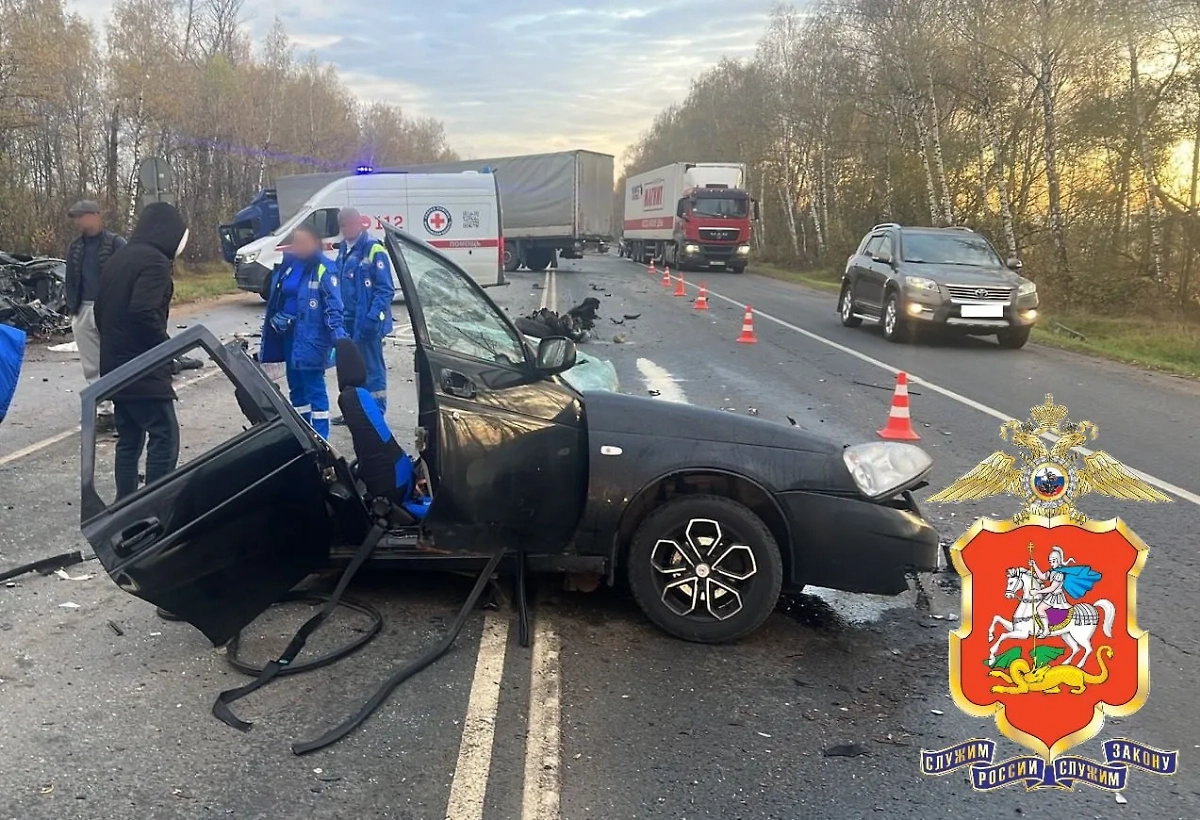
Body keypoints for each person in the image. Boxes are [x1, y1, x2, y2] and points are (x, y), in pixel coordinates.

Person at [95, 202, 187, 501]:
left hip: (116, 366)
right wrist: (167, 350)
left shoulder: (120, 258)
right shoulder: (155, 263)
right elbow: (144, 312)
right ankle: (154, 504)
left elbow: (99, 311)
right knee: (164, 435)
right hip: (143, 367)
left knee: (129, 438)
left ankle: (125, 503)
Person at [259, 224, 346, 439]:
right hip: (288, 336)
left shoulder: (324, 268)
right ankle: (302, 432)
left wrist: (339, 339)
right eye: (295, 241)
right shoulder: (289, 265)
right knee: (296, 387)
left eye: (303, 242)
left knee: (313, 386)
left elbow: (333, 306)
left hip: (311, 338)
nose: (298, 246)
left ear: (315, 243)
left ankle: (320, 436)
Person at [64, 200, 126, 430]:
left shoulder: (116, 243)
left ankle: (124, 409)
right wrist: (73, 306)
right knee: (91, 364)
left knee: (116, 360)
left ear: (95, 215)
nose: (78, 221)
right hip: (82, 308)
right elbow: (70, 278)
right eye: (76, 217)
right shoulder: (75, 247)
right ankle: (103, 412)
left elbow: (127, 275)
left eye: (81, 216)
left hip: (110, 309)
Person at [333, 208, 393, 421]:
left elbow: (385, 289)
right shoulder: (343, 250)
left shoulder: (373, 249)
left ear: (359, 223)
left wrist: (372, 318)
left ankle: (375, 415)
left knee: (372, 370)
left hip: (367, 322)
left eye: (350, 223)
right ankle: (354, 412)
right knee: (350, 371)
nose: (347, 228)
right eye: (343, 225)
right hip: (346, 322)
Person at [1029, 545, 1101, 635]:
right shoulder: (1052, 571)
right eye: (1050, 562)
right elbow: (1042, 576)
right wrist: (1034, 565)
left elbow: (1052, 588)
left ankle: (1046, 630)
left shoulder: (1059, 574)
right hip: (1050, 596)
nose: (1051, 564)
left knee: (1039, 609)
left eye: (1053, 561)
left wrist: (1037, 592)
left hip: (1055, 597)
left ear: (1058, 560)